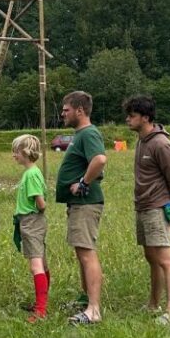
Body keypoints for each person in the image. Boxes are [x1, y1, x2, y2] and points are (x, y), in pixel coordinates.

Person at [123, 97, 170, 327]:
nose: (128, 119)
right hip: (142, 207)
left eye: (132, 116)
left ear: (145, 118)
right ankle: (153, 304)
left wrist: (162, 200)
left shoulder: (160, 144)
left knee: (165, 259)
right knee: (151, 257)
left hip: (157, 209)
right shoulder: (141, 141)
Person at [55, 91, 108, 325]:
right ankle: (85, 299)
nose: (62, 114)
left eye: (66, 110)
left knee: (87, 254)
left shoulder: (89, 133)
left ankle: (93, 310)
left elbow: (100, 159)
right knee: (81, 253)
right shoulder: (80, 135)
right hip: (78, 205)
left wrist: (84, 183)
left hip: (86, 203)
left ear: (80, 110)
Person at [11, 134, 50, 323]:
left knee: (36, 265)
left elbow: (40, 203)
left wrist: (37, 210)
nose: (14, 155)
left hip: (31, 222)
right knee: (41, 262)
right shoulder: (31, 172)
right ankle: (41, 303)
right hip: (30, 222)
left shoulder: (31, 174)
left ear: (26, 152)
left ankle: (41, 310)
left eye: (16, 151)